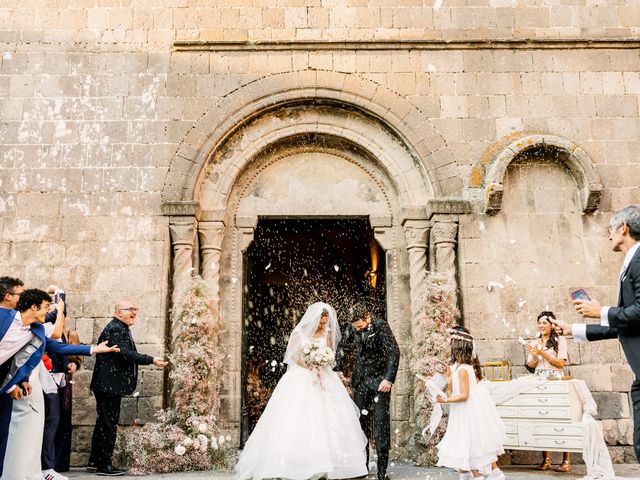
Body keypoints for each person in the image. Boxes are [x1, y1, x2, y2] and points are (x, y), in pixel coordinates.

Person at [235, 302, 368, 480]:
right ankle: (293, 463)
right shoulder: (299, 333)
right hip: (302, 376)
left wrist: (324, 361)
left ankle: (330, 464)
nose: (324, 326)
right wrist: (310, 364)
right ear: (314, 319)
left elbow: (331, 354)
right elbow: (292, 356)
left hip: (323, 376)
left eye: (326, 322)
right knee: (296, 416)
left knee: (328, 417)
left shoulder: (327, 333)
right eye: (321, 323)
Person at [1, 289, 119, 480]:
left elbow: (58, 344)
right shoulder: (4, 317)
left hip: (8, 384)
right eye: (46, 307)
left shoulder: (36, 330)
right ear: (34, 307)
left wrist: (94, 349)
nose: (48, 312)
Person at [552, 205, 640, 463]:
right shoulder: (629, 263)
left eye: (610, 230)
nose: (608, 236)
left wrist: (601, 309)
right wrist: (573, 329)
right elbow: (624, 323)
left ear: (623, 228)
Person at [89, 300, 169, 476]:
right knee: (108, 424)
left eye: (136, 309)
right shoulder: (116, 328)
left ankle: (96, 460)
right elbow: (127, 354)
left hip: (107, 385)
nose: (134, 312)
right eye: (130, 309)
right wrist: (152, 359)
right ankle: (104, 466)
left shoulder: (120, 326)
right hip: (108, 385)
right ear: (118, 312)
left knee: (104, 422)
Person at [335, 302, 400, 480]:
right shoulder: (352, 327)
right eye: (354, 326)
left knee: (381, 427)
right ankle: (361, 468)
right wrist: (338, 368)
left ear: (368, 317)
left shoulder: (380, 326)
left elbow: (394, 351)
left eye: (359, 325)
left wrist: (388, 378)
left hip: (380, 384)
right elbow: (342, 347)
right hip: (360, 384)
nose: (357, 329)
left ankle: (382, 472)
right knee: (360, 427)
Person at [435, 328, 505, 480]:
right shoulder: (457, 368)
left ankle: (481, 476)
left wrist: (445, 400)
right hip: (460, 412)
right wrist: (447, 381)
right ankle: (470, 475)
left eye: (451, 344)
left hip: (467, 412)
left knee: (470, 446)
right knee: (463, 446)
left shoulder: (463, 370)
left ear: (457, 347)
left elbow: (464, 396)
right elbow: (452, 392)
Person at [525, 311, 571, 473]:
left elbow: (560, 364)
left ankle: (566, 460)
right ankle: (546, 459)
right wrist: (534, 357)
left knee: (560, 420)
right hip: (539, 382)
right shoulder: (535, 342)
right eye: (539, 322)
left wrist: (542, 353)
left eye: (544, 322)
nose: (541, 325)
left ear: (552, 324)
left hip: (555, 382)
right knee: (542, 419)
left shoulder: (560, 340)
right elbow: (531, 366)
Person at [0, 276, 25, 475]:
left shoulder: (18, 320)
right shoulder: (8, 319)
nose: (23, 300)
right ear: (8, 296)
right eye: (20, 295)